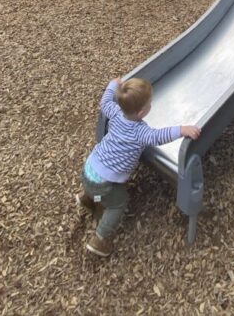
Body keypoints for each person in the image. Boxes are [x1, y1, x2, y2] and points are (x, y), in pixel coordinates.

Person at [77, 77, 201, 257]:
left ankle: (89, 200)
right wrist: (182, 129)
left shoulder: (116, 112)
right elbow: (159, 136)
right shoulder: (140, 132)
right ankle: (100, 239)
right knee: (118, 203)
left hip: (89, 168)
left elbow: (104, 101)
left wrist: (113, 85)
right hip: (105, 183)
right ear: (142, 112)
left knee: (95, 187)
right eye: (150, 104)